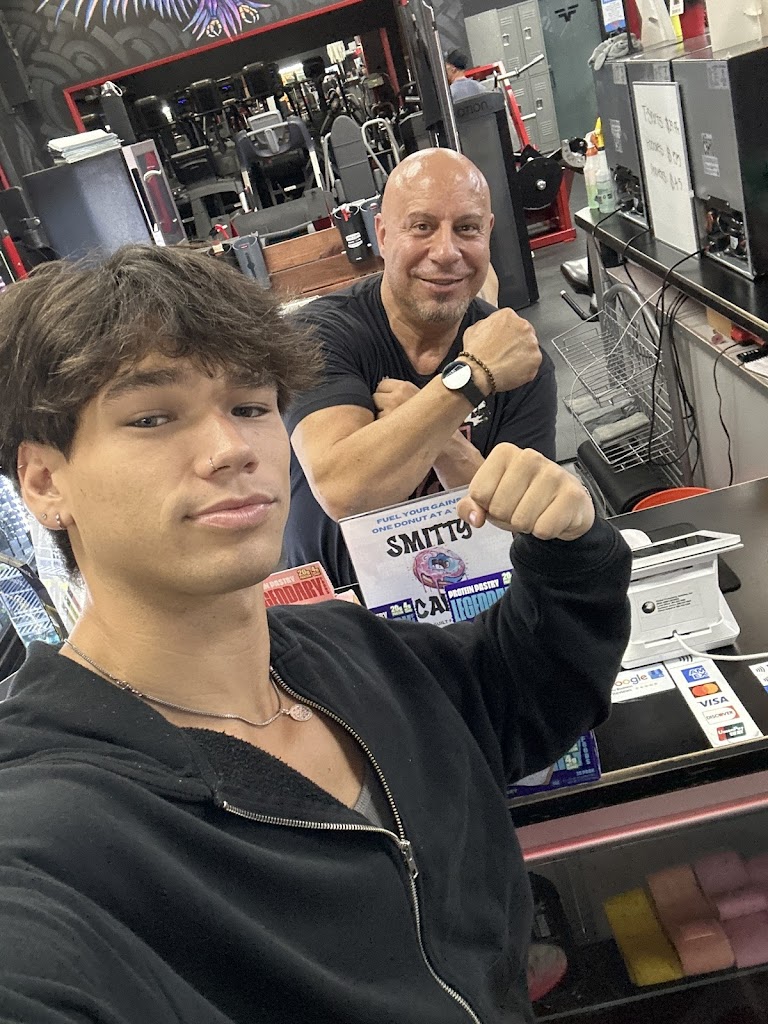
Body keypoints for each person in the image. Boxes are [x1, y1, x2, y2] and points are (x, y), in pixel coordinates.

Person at [0, 244, 631, 1024]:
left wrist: (569, 556)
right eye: (153, 417)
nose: (232, 450)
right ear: (44, 481)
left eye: (250, 406)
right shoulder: (49, 829)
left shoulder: (348, 647)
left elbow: (523, 697)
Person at [284, 148, 557, 589]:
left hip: (473, 597)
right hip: (339, 611)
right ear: (382, 234)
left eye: (466, 228)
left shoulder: (518, 359)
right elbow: (345, 492)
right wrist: (469, 380)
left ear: (488, 233)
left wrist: (441, 438)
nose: (446, 252)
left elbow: (518, 529)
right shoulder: (321, 333)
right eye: (422, 226)